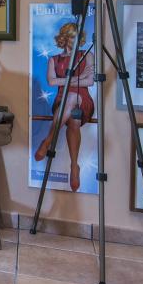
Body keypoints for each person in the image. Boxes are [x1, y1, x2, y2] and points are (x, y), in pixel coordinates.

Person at [33, 21, 95, 193]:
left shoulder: (87, 55)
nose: (75, 40)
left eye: (78, 37)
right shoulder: (54, 60)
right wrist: (78, 78)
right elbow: (51, 82)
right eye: (72, 37)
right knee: (74, 122)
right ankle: (74, 166)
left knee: (73, 96)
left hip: (83, 100)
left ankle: (47, 141)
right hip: (61, 102)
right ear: (65, 38)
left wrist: (67, 81)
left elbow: (90, 81)